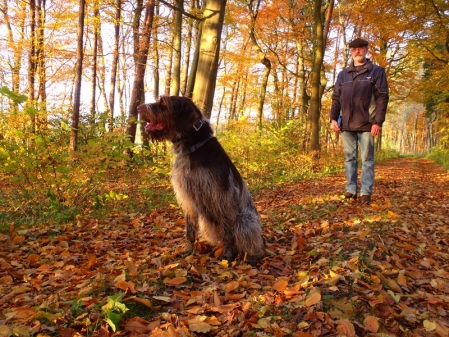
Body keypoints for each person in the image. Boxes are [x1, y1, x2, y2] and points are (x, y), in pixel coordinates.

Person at [330, 38, 389, 204]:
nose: (358, 51)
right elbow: (336, 98)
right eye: (354, 49)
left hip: (367, 125)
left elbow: (382, 97)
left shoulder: (376, 72)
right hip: (346, 124)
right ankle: (351, 189)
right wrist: (333, 118)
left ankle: (365, 192)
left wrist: (378, 121)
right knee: (350, 158)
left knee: (367, 159)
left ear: (366, 50)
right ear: (351, 51)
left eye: (361, 48)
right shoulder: (343, 74)